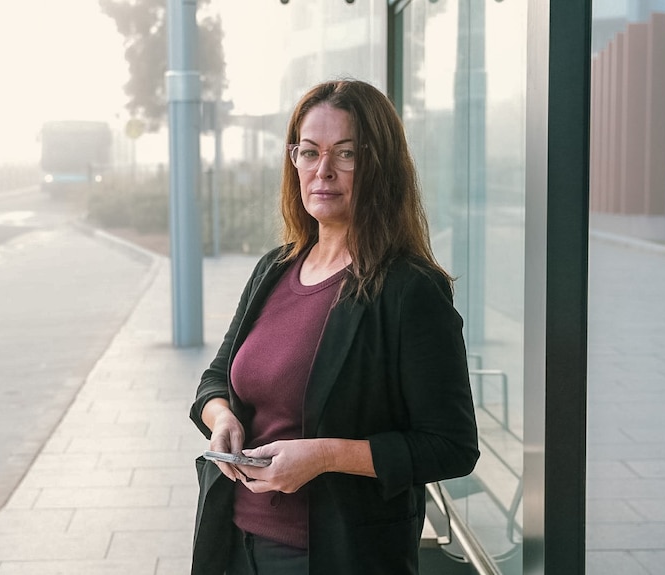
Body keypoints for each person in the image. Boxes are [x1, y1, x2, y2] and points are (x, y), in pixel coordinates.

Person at [189, 79, 479, 575]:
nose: (322, 171)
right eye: (309, 152)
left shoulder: (410, 290)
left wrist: (324, 456)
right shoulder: (274, 269)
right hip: (234, 544)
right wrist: (223, 421)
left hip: (335, 557)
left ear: (379, 165)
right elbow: (215, 379)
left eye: (346, 154)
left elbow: (451, 446)